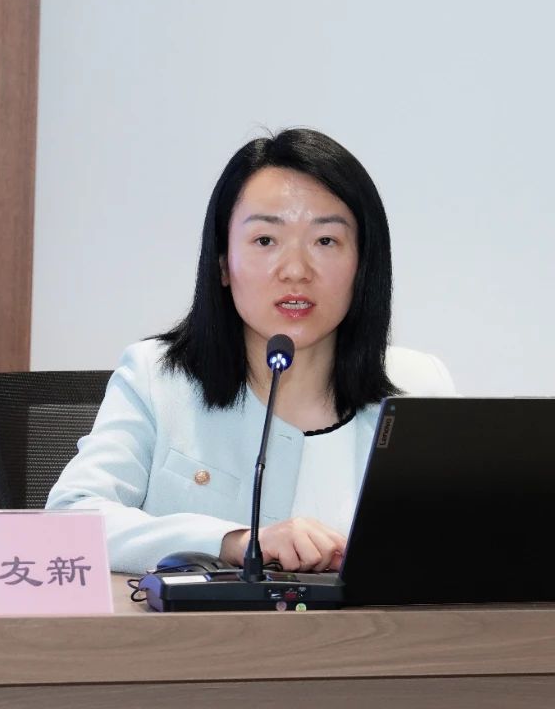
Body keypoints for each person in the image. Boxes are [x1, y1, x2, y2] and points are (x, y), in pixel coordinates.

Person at [46, 128, 455, 574]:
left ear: (364, 265)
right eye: (265, 240)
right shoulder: (158, 379)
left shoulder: (418, 386)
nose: (296, 271)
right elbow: (70, 520)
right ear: (223, 262)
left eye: (325, 241)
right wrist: (234, 541)